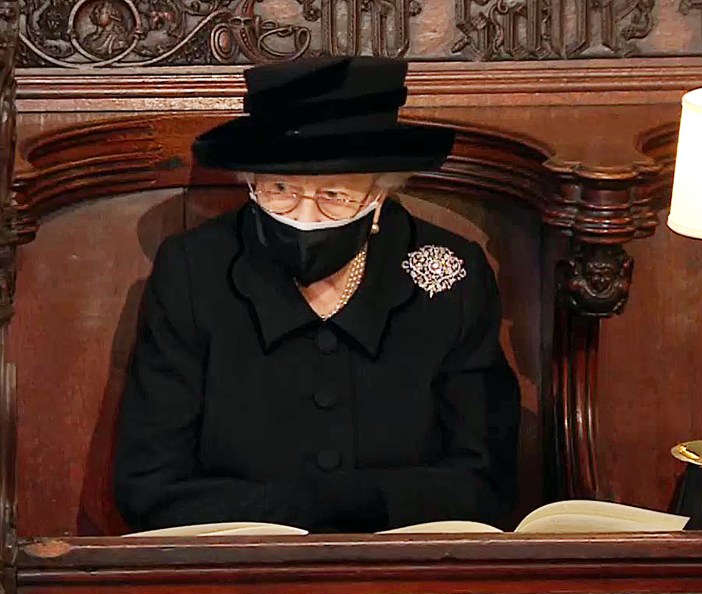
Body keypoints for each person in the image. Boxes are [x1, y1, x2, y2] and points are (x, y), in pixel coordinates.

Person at [114, 56, 520, 534]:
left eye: (335, 195)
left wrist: (338, 505)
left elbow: (482, 483)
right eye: (281, 189)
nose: (303, 217)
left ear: (378, 197)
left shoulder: (451, 276)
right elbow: (148, 487)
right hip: (235, 578)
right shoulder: (194, 271)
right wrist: (325, 507)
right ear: (251, 185)